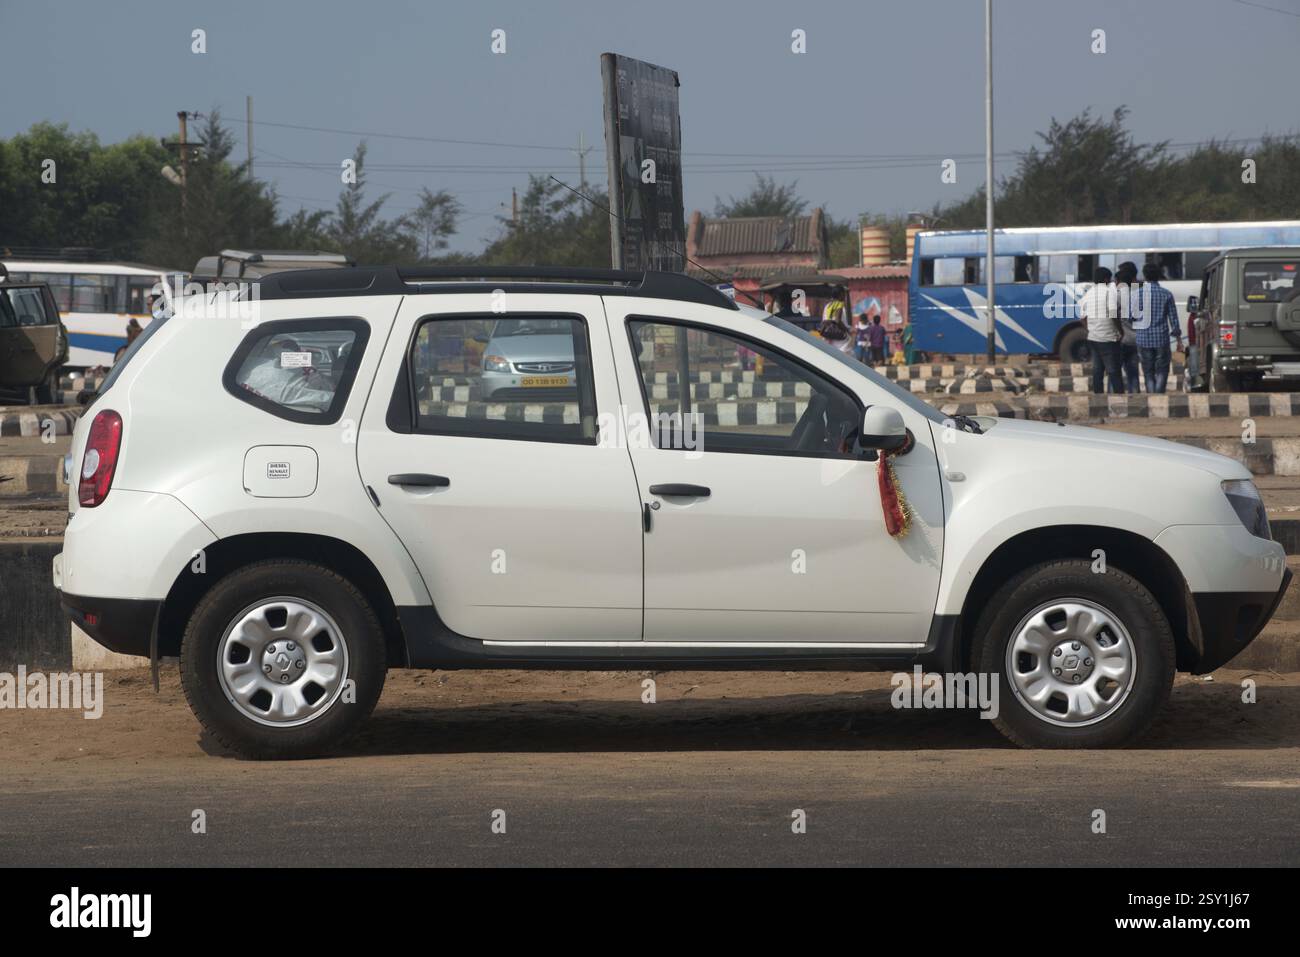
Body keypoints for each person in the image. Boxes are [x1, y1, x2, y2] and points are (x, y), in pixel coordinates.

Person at [1130, 262, 1183, 394]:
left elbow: (1131, 317)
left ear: (1145, 276)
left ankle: (1152, 396)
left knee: (1148, 372)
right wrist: (1178, 339)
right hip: (1161, 339)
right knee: (1162, 370)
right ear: (1158, 275)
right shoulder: (1166, 294)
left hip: (1142, 339)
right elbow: (1174, 319)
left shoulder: (1136, 294)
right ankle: (1158, 395)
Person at [1078, 267, 1122, 394]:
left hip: (1093, 337)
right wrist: (1120, 331)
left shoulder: (1088, 293)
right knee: (1113, 370)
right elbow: (1114, 314)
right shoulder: (1109, 292)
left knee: (1097, 370)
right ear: (1106, 279)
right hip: (1108, 337)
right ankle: (1119, 397)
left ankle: (1098, 398)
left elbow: (1082, 317)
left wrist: (1090, 329)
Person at [1114, 261, 1142, 393]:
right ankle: (1135, 397)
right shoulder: (1139, 294)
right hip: (1136, 339)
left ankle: (1113, 396)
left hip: (1121, 339)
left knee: (1114, 372)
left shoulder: (1117, 295)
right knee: (1133, 372)